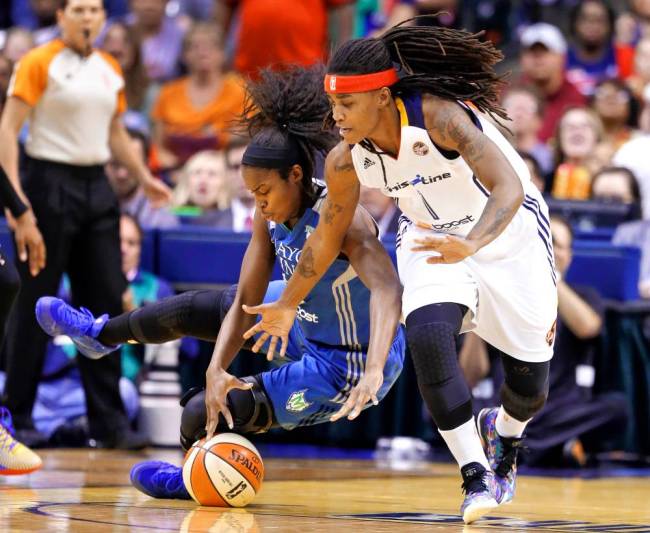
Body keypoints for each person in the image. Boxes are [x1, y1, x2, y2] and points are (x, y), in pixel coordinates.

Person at [35, 66, 406, 497]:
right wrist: (216, 369)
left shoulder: (345, 220)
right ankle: (102, 335)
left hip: (349, 360)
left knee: (200, 412)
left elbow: (389, 289)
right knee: (196, 309)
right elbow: (246, 296)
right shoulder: (266, 215)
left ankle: (193, 477)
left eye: (265, 191)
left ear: (297, 176)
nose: (259, 203)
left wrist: (376, 369)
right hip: (301, 317)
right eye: (251, 193)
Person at [243, 21, 558, 524]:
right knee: (429, 337)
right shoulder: (347, 161)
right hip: (430, 234)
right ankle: (476, 474)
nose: (336, 117)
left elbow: (507, 189)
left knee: (529, 388)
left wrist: (473, 243)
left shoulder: (440, 117)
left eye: (347, 105)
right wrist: (286, 302)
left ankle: (505, 433)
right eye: (333, 105)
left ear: (384, 97)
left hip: (506, 232)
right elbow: (323, 241)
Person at [0, 0, 171, 449]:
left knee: (105, 303)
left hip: (97, 186)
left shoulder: (109, 66)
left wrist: (143, 177)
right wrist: (18, 204)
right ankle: (16, 416)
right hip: (47, 182)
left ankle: (108, 421)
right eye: (77, 9)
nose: (87, 17)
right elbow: (8, 129)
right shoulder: (38, 62)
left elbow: (115, 132)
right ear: (60, 17)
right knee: (36, 301)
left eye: (94, 9)